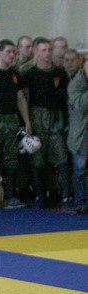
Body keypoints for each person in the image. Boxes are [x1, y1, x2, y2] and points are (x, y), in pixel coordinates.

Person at [0, 39, 32, 209]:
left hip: (12, 120)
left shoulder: (15, 74)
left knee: (11, 160)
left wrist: (27, 121)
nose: (12, 55)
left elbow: (20, 99)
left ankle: (10, 196)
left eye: (14, 52)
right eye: (9, 51)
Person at [20, 37, 69, 208]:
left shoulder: (60, 73)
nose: (47, 54)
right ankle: (40, 195)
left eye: (49, 50)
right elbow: (24, 100)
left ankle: (64, 196)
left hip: (55, 119)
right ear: (36, 51)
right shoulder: (28, 74)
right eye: (43, 50)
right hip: (36, 119)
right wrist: (27, 122)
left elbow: (65, 100)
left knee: (62, 158)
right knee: (38, 161)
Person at [67, 58, 87, 213]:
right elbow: (80, 105)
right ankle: (80, 202)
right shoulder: (75, 84)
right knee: (80, 170)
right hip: (80, 134)